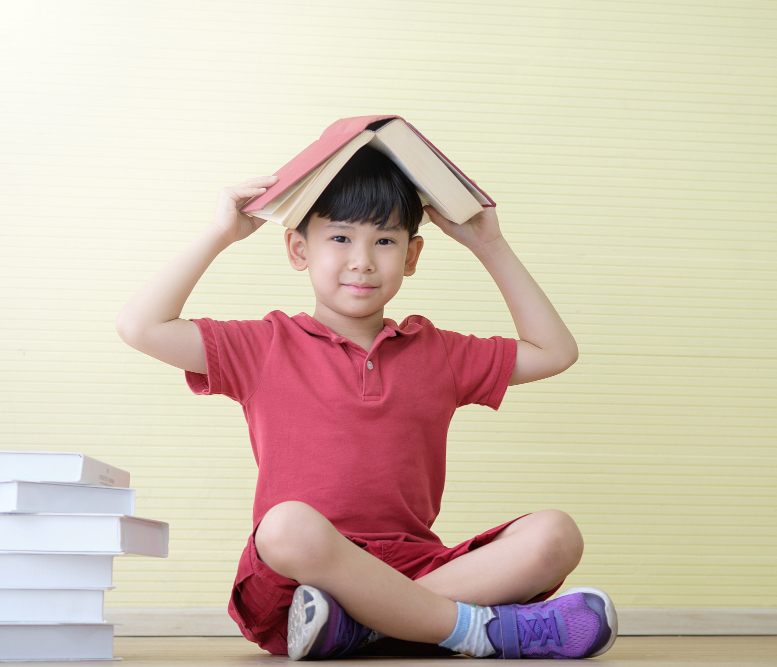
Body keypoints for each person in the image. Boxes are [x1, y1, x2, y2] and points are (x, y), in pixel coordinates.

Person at [116, 145, 617, 660]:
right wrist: (220, 234)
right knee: (287, 524)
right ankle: (472, 629)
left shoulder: (437, 352)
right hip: (298, 585)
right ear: (298, 251)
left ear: (412, 255)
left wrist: (490, 245)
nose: (362, 260)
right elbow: (141, 326)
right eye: (339, 238)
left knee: (556, 535)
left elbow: (555, 351)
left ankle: (372, 625)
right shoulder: (264, 346)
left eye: (384, 240)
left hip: (416, 567)